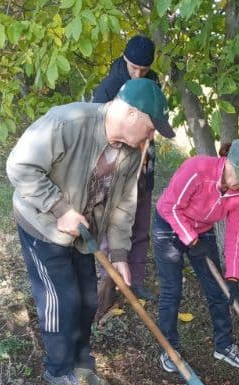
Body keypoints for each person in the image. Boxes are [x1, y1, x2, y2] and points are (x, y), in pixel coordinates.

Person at [8, 78, 175, 385]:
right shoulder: (68, 123)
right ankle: (58, 369)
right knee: (61, 299)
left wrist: (121, 255)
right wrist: (59, 209)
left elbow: (124, 205)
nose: (152, 135)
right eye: (151, 127)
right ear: (132, 115)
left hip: (84, 234)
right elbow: (19, 166)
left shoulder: (132, 152)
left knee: (87, 298)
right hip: (41, 225)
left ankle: (83, 363)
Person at [153, 139, 239, 373]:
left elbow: (236, 236)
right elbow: (170, 207)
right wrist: (191, 240)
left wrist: (233, 278)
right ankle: (169, 348)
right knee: (172, 290)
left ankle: (224, 345)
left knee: (217, 288)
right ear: (229, 164)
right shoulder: (198, 169)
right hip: (169, 225)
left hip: (202, 231)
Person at [92, 34, 162, 304]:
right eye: (134, 67)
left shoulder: (153, 82)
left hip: (144, 165)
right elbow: (98, 132)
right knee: (112, 225)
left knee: (141, 225)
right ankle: (107, 280)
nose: (138, 74)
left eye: (144, 69)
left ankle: (135, 281)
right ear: (125, 60)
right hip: (116, 170)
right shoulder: (109, 87)